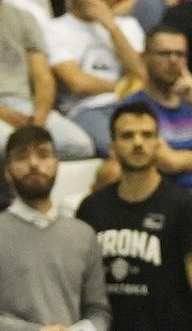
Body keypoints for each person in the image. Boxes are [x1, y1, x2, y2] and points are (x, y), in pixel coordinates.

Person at [78, 101, 192, 331]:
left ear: (158, 143)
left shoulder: (184, 206)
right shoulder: (91, 209)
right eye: (127, 136)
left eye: (147, 135)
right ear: (113, 146)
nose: (138, 143)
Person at [0, 125, 113, 329]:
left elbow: (98, 310)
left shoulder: (83, 234)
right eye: (22, 157)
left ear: (56, 164)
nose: (33, 164)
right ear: (7, 171)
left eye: (43, 155)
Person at [46, 0, 146, 153]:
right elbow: (78, 83)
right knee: (125, 152)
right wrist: (124, 86)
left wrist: (111, 27)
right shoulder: (54, 28)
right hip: (86, 109)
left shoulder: (127, 26)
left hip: (134, 105)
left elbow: (142, 74)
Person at [0, 0, 95, 158]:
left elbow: (43, 77)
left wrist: (39, 117)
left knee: (80, 145)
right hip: (2, 111)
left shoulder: (24, 19)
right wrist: (3, 113)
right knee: (7, 147)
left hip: (25, 106)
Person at [113, 25, 192, 189]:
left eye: (180, 54)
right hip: (166, 194)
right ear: (145, 57)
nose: (173, 60)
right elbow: (170, 162)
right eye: (164, 54)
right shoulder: (133, 107)